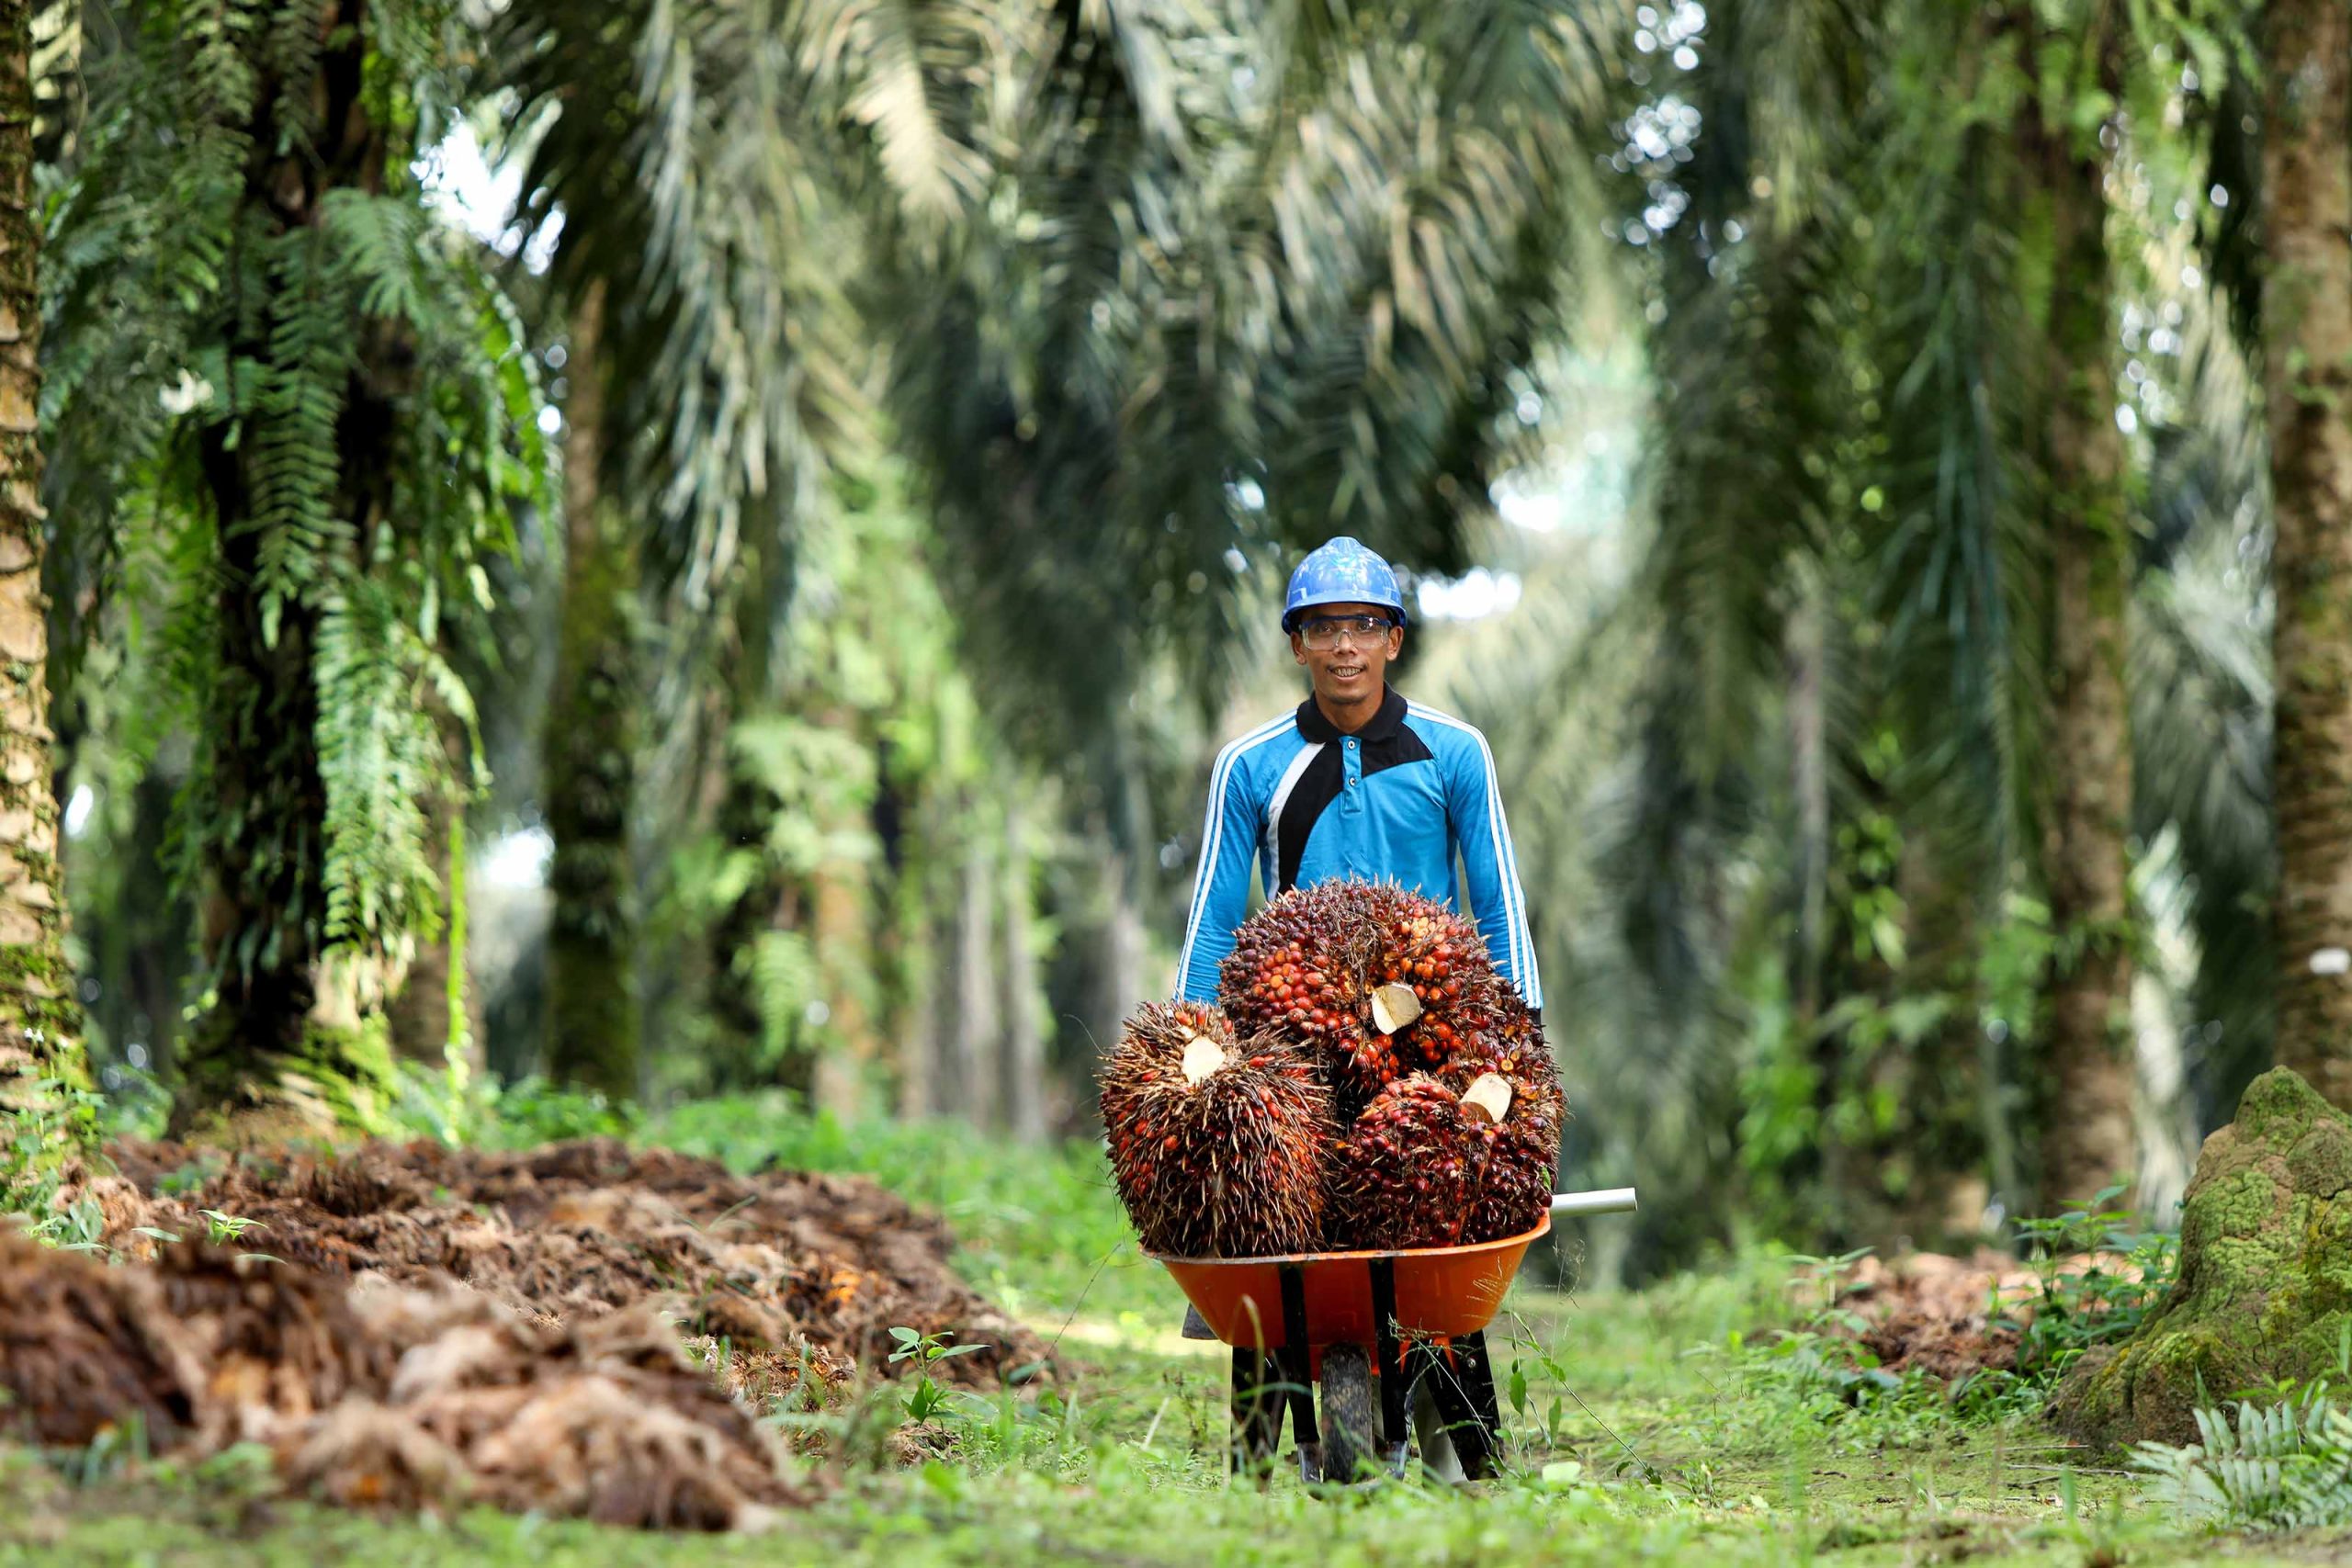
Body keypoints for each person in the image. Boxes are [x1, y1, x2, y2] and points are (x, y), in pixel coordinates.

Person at [1175, 536, 1542, 1013]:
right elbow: (1213, 923)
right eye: (1324, 628)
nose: (1345, 646)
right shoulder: (1247, 765)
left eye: (1366, 625)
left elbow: (1499, 908)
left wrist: (1524, 1032)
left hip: (1430, 1028)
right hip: (1297, 1029)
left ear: (1393, 641)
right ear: (1298, 645)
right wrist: (1186, 1042)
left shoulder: (1457, 751)